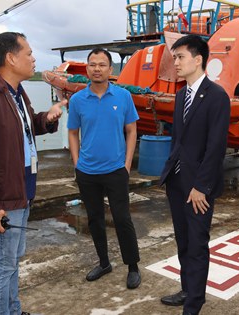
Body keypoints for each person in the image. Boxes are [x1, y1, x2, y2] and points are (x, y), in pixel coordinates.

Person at [0, 32, 67, 315]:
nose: (34, 59)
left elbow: (26, 127)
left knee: (12, 259)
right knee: (2, 263)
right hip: (5, 197)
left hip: (22, 188)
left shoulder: (15, 91)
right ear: (11, 58)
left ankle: (12, 310)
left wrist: (47, 118)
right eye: (29, 53)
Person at [159, 35, 230, 315]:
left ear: (198, 59)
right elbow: (179, 139)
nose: (175, 63)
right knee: (183, 241)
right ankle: (187, 289)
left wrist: (202, 186)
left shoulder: (217, 96)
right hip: (177, 181)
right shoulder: (181, 95)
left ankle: (194, 304)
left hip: (199, 187)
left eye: (180, 57)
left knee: (197, 245)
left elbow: (216, 147)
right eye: (174, 58)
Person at [67, 48, 141, 289]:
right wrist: (77, 164)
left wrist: (127, 163)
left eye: (101, 64)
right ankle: (104, 262)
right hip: (87, 172)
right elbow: (72, 133)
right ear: (87, 68)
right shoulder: (78, 100)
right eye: (92, 64)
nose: (96, 69)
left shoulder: (123, 97)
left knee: (122, 219)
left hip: (116, 170)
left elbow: (131, 131)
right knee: (95, 220)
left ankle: (132, 266)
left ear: (111, 70)